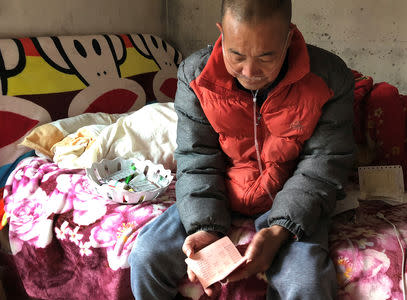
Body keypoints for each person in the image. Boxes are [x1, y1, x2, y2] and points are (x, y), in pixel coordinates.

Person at [129, 0, 355, 299]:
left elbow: (323, 165)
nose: (250, 71)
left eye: (266, 56)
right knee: (146, 256)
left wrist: (280, 230)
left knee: (306, 282)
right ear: (222, 32)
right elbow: (197, 159)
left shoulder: (329, 76)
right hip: (219, 193)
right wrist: (204, 226)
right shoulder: (195, 76)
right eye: (236, 54)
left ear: (288, 38)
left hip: (289, 196)